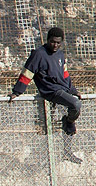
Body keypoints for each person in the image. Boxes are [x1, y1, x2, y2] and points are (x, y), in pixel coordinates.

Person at [7, 27, 83, 162]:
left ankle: (67, 151)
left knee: (70, 121)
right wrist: (17, 92)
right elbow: (27, 73)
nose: (55, 45)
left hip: (62, 90)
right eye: (53, 42)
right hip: (51, 91)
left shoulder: (60, 55)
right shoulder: (38, 54)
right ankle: (67, 123)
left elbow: (65, 75)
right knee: (75, 105)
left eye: (58, 43)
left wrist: (73, 90)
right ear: (48, 40)